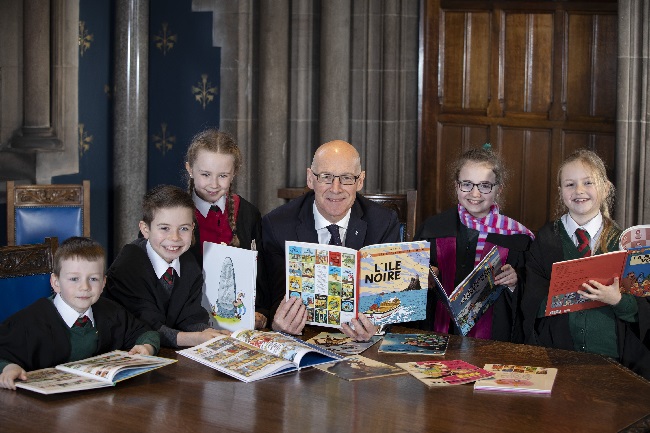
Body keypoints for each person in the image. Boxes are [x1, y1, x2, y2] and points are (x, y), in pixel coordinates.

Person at [520, 149, 650, 379]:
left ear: (605, 188)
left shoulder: (624, 244)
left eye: (588, 182)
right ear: (561, 192)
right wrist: (559, 296)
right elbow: (530, 302)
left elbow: (643, 309)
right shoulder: (546, 240)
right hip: (559, 359)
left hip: (613, 361)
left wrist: (617, 299)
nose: (579, 191)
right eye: (570, 184)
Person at [261, 140, 401, 340]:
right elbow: (272, 298)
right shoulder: (277, 225)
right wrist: (278, 322)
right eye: (326, 177)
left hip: (362, 341)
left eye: (346, 178)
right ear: (311, 179)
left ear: (360, 181)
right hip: (303, 338)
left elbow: (390, 297)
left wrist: (377, 325)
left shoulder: (383, 223)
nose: (336, 189)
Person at [0, 237, 159, 390]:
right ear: (56, 283)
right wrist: (8, 368)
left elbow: (144, 332)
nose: (85, 287)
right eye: (74, 279)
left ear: (103, 283)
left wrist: (146, 347)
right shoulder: (29, 323)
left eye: (93, 279)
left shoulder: (111, 312)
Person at [414, 146, 534, 341]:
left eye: (485, 185)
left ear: (498, 189)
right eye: (467, 184)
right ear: (456, 186)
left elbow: (532, 293)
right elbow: (410, 284)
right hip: (438, 333)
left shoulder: (517, 237)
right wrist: (423, 276)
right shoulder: (432, 229)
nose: (475, 194)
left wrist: (515, 281)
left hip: (493, 339)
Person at [104, 185, 225, 348]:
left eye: (183, 228)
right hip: (131, 352)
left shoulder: (188, 262)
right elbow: (147, 329)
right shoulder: (129, 266)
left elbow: (189, 317)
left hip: (167, 352)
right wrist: (195, 339)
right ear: (145, 229)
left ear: (193, 228)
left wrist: (210, 333)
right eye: (164, 228)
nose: (174, 238)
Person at [184, 128, 267, 328]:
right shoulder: (171, 215)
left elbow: (261, 274)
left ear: (234, 174)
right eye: (205, 174)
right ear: (190, 169)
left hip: (238, 321)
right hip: (188, 323)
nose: (213, 184)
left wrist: (262, 312)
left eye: (222, 175)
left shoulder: (248, 214)